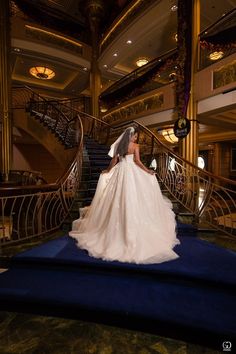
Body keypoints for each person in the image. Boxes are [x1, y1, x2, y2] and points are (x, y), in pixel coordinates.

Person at [69, 126, 180, 264]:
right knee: (134, 199)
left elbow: (114, 161)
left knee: (116, 200)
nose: (136, 138)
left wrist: (108, 170)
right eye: (135, 136)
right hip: (131, 173)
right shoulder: (135, 146)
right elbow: (138, 162)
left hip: (120, 173)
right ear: (132, 136)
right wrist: (148, 171)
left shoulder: (119, 145)